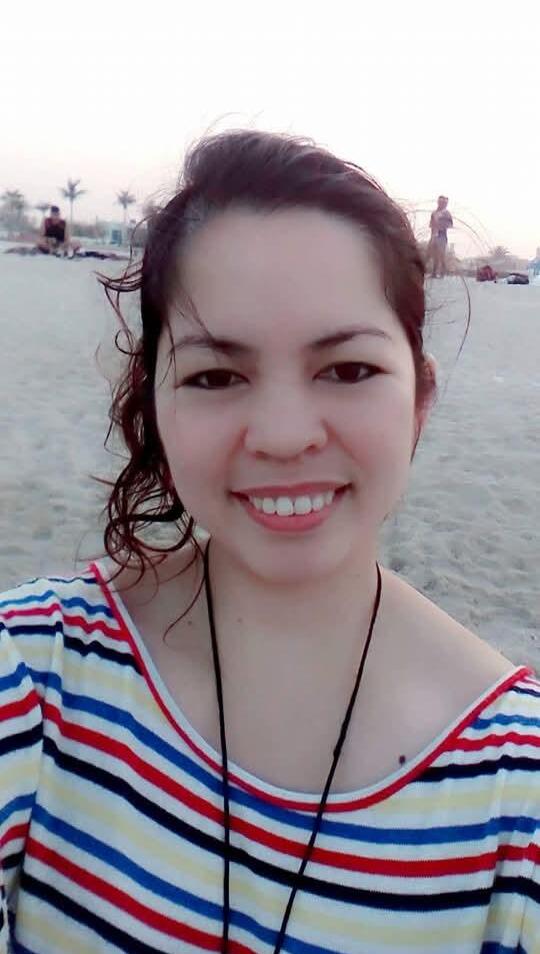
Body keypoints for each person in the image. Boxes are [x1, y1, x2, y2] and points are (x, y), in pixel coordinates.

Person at [1, 131, 538, 954]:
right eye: (217, 376)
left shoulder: (515, 794)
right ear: (155, 407)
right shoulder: (33, 677)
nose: (284, 437)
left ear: (420, 401)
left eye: (348, 369)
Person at [427, 195, 453, 277]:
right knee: (434, 254)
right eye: (440, 202)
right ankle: (434, 272)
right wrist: (433, 229)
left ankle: (442, 273)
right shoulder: (434, 213)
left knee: (441, 254)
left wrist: (441, 225)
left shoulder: (447, 214)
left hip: (442, 236)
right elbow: (431, 224)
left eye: (444, 203)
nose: (441, 204)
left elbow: (450, 224)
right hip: (434, 235)